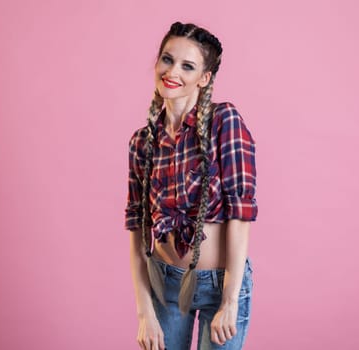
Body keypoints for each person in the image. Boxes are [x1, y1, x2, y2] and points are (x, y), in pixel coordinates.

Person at [125, 22, 258, 350]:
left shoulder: (224, 122)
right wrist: (145, 314)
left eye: (188, 66)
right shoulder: (143, 142)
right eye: (167, 59)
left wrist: (229, 302)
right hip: (164, 283)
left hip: (221, 285)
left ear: (204, 78)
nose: (172, 71)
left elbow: (240, 216)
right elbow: (137, 228)